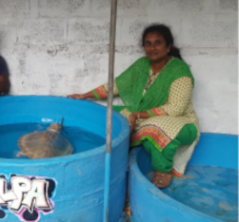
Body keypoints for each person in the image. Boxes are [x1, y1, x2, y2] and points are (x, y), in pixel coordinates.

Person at [68, 24, 199, 189]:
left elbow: (176, 108)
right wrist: (84, 95)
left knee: (157, 128)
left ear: (168, 46)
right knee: (110, 115)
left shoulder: (180, 70)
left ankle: (163, 171)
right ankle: (100, 152)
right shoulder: (142, 65)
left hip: (180, 123)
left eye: (158, 43)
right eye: (148, 43)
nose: (152, 48)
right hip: (146, 116)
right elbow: (116, 85)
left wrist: (139, 115)